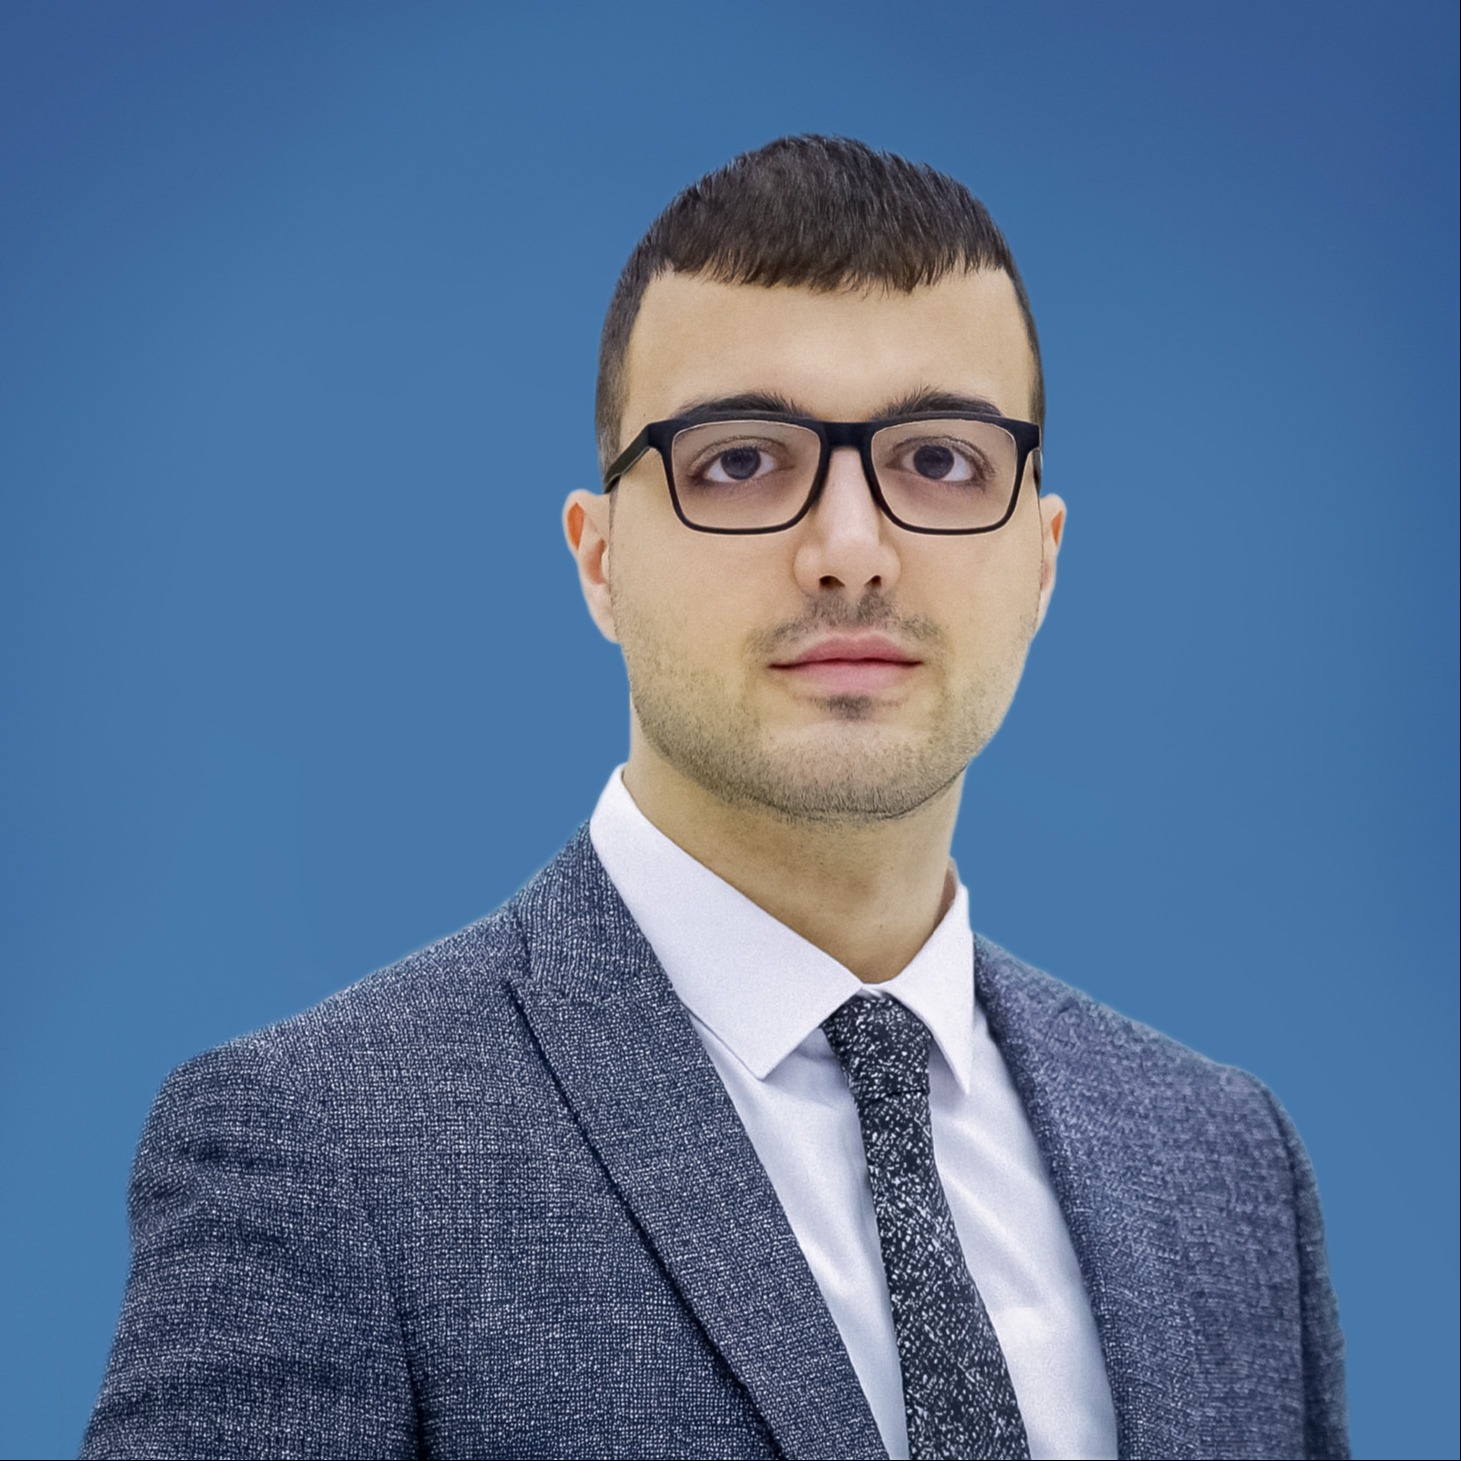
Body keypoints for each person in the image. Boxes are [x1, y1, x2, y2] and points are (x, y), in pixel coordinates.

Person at [82, 136, 1347, 1461]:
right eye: (741, 461)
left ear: (1041, 559)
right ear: (600, 560)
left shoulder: (1225, 1167)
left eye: (940, 460)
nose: (850, 551)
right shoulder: (322, 1149)